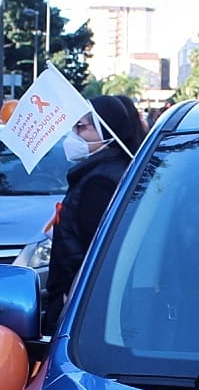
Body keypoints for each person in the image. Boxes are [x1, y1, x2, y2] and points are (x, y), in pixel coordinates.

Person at [41, 94, 144, 334]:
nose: (74, 135)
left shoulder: (100, 183)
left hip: (82, 306)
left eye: (82, 127)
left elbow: (95, 251)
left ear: (106, 132)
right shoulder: (98, 172)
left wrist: (74, 291)